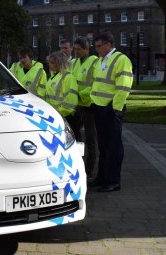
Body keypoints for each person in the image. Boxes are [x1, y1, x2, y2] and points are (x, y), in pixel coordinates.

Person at [89, 32, 133, 192]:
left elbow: (123, 86)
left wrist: (116, 109)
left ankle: (113, 181)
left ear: (109, 44)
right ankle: (102, 178)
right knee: (104, 146)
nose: (97, 49)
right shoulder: (101, 61)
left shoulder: (121, 60)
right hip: (100, 108)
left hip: (111, 110)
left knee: (114, 147)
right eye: (96, 47)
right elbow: (98, 84)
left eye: (99, 46)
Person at [70, 37, 99, 178]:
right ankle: (79, 165)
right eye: (75, 49)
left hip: (89, 105)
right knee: (76, 137)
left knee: (90, 139)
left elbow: (96, 84)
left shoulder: (94, 62)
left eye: (79, 49)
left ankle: (89, 171)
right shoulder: (74, 62)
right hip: (76, 106)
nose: (76, 52)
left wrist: (81, 95)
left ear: (87, 49)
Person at [43, 51, 78, 118]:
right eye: (49, 62)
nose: (49, 64)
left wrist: (59, 111)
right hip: (53, 113)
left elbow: (70, 101)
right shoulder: (53, 76)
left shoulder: (68, 77)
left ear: (59, 63)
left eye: (52, 63)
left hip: (64, 115)